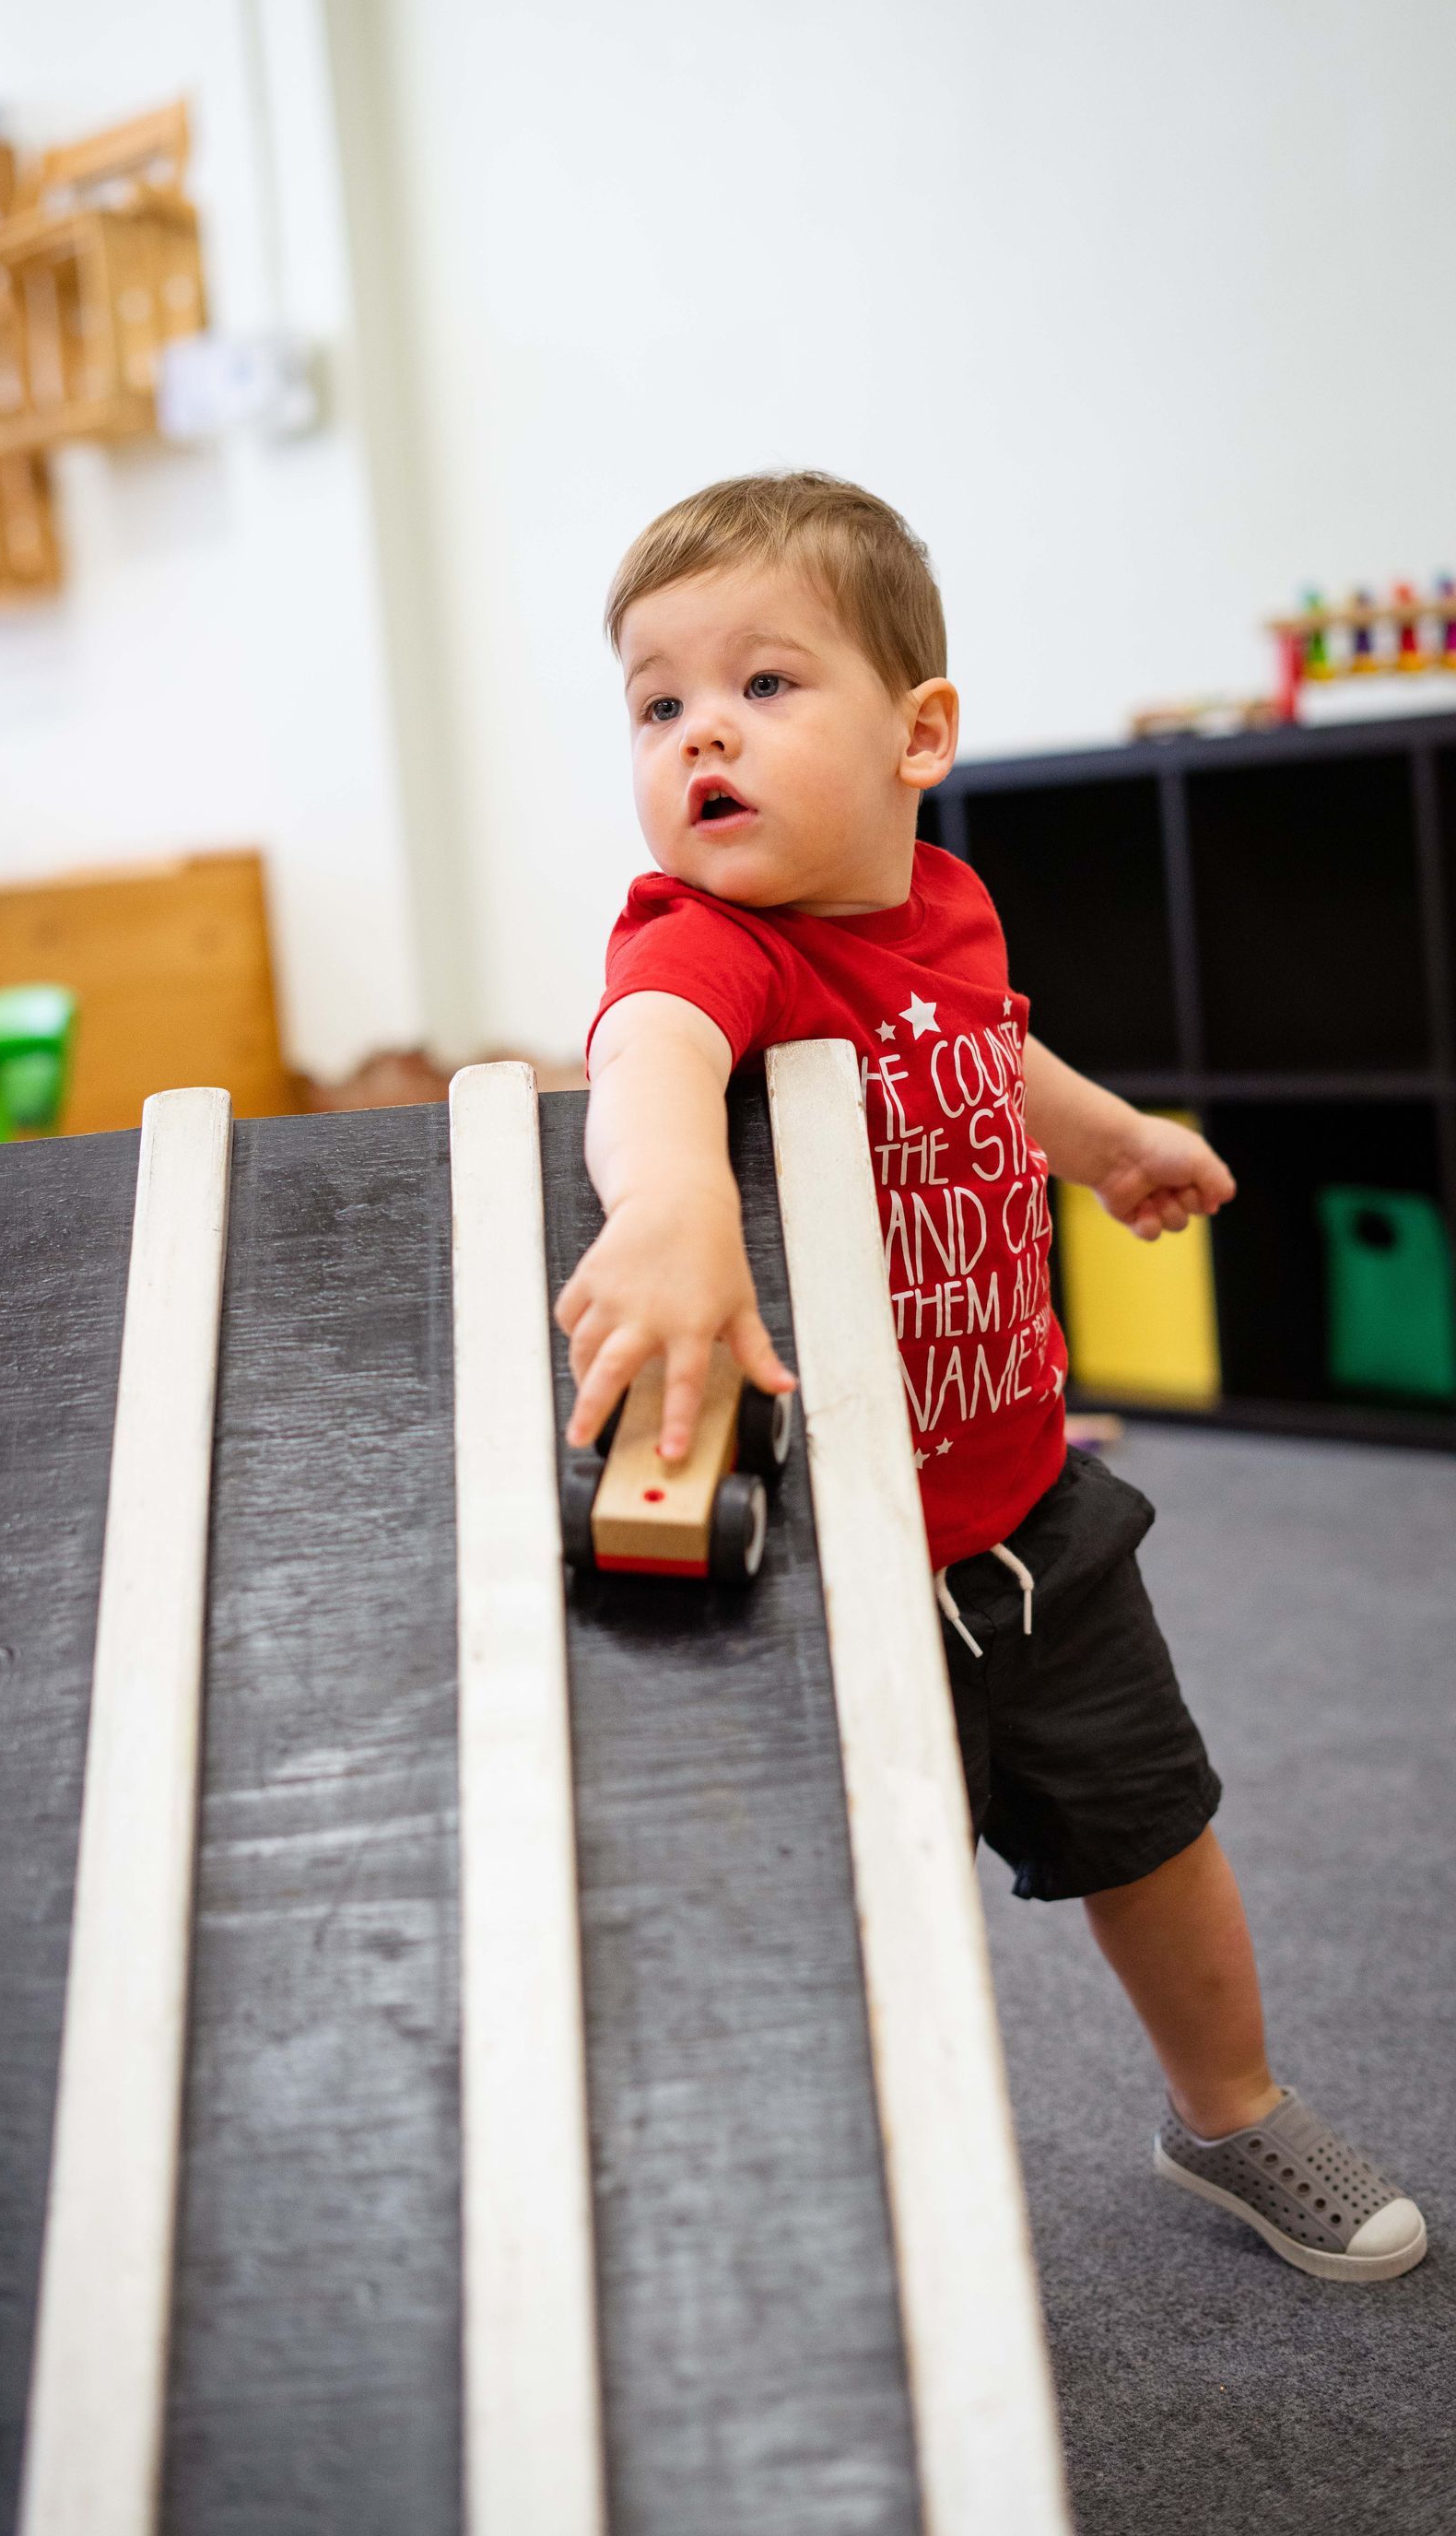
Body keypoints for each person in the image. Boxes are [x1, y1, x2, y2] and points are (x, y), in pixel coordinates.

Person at [557, 469, 1426, 2283]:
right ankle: (849, 2219)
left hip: (1029, 1515)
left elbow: (987, 1055)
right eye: (658, 702)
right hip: (832, 1574)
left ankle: (1236, 2114)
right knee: (855, 1914)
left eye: (765, 685)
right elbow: (648, 1056)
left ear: (918, 734)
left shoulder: (946, 913)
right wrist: (668, 1203)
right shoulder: (708, 943)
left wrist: (1109, 1144)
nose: (700, 729)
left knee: (1156, 1831)